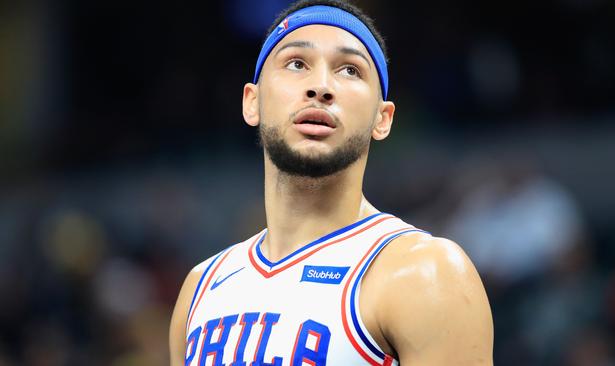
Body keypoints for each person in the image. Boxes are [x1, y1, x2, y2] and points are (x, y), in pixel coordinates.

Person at [169, 1, 493, 365]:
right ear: (252, 102)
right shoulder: (200, 288)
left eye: (350, 70)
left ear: (382, 119)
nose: (321, 86)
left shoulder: (425, 274)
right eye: (296, 64)